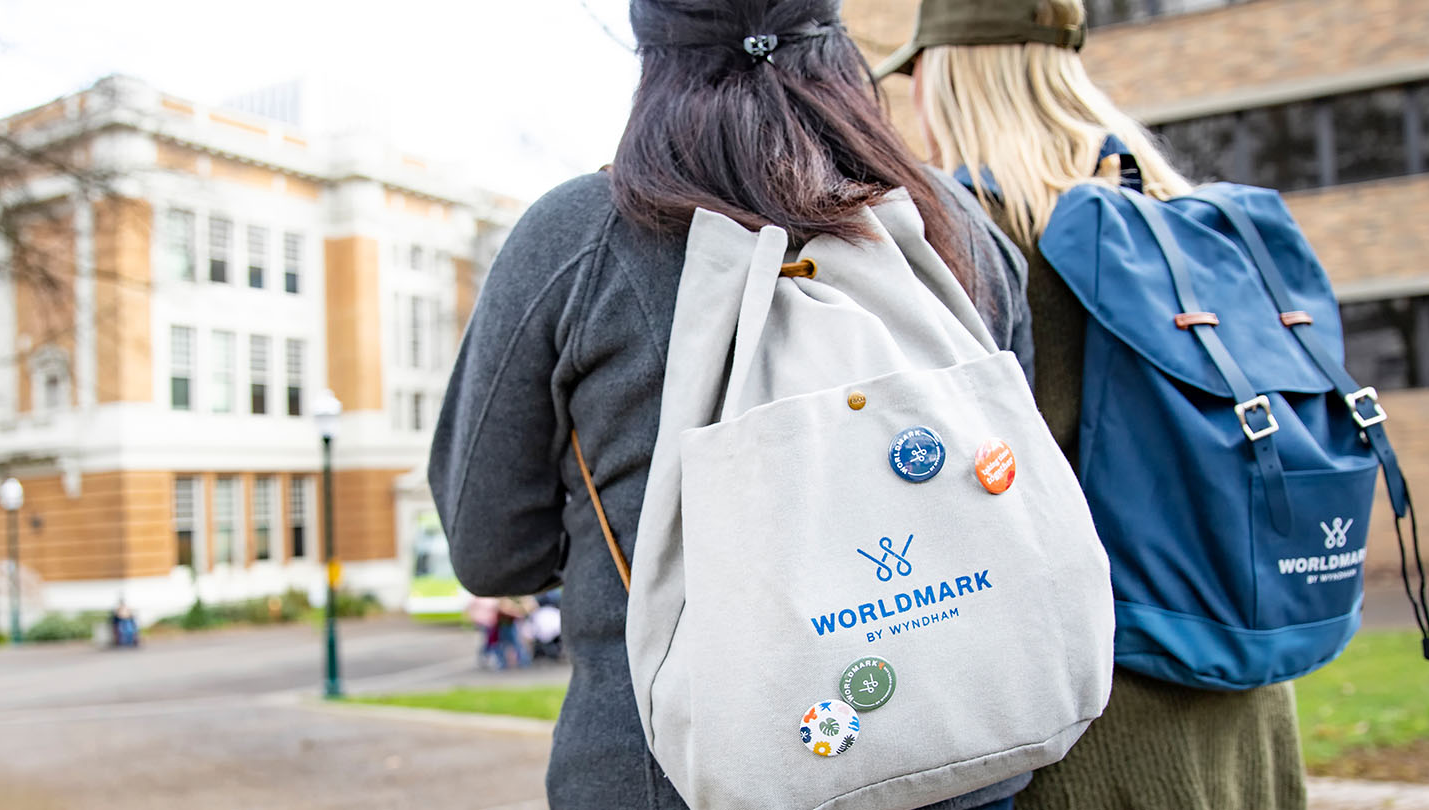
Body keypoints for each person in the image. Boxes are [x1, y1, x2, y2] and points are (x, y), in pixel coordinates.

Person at [430, 1, 1034, 807]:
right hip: (955, 753)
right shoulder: (952, 229)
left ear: (655, 58)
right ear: (837, 44)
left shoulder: (579, 239)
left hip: (667, 775)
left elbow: (493, 553)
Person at [883, 1, 1308, 807]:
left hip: (1088, 721)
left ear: (948, 74)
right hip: (1241, 687)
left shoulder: (968, 240)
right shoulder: (1186, 218)